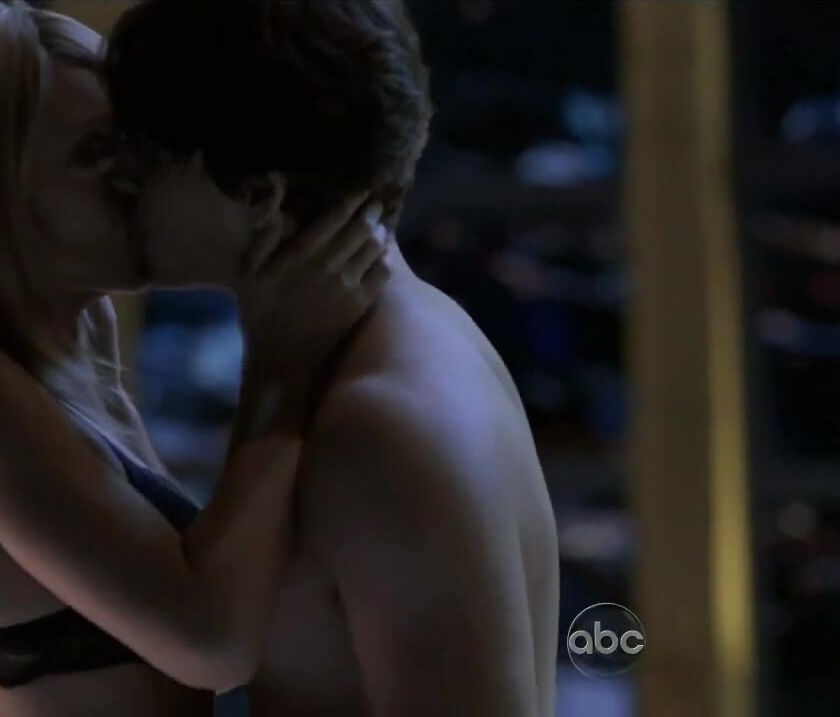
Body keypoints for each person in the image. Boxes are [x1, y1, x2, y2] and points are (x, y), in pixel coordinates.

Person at [0, 2, 391, 715]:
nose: (136, 176)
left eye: (133, 144)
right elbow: (210, 642)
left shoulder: (67, 357)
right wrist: (282, 361)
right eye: (94, 153)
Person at [105, 1, 560, 714]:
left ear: (259, 195)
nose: (119, 184)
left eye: (145, 159)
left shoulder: (378, 422)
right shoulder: (409, 340)